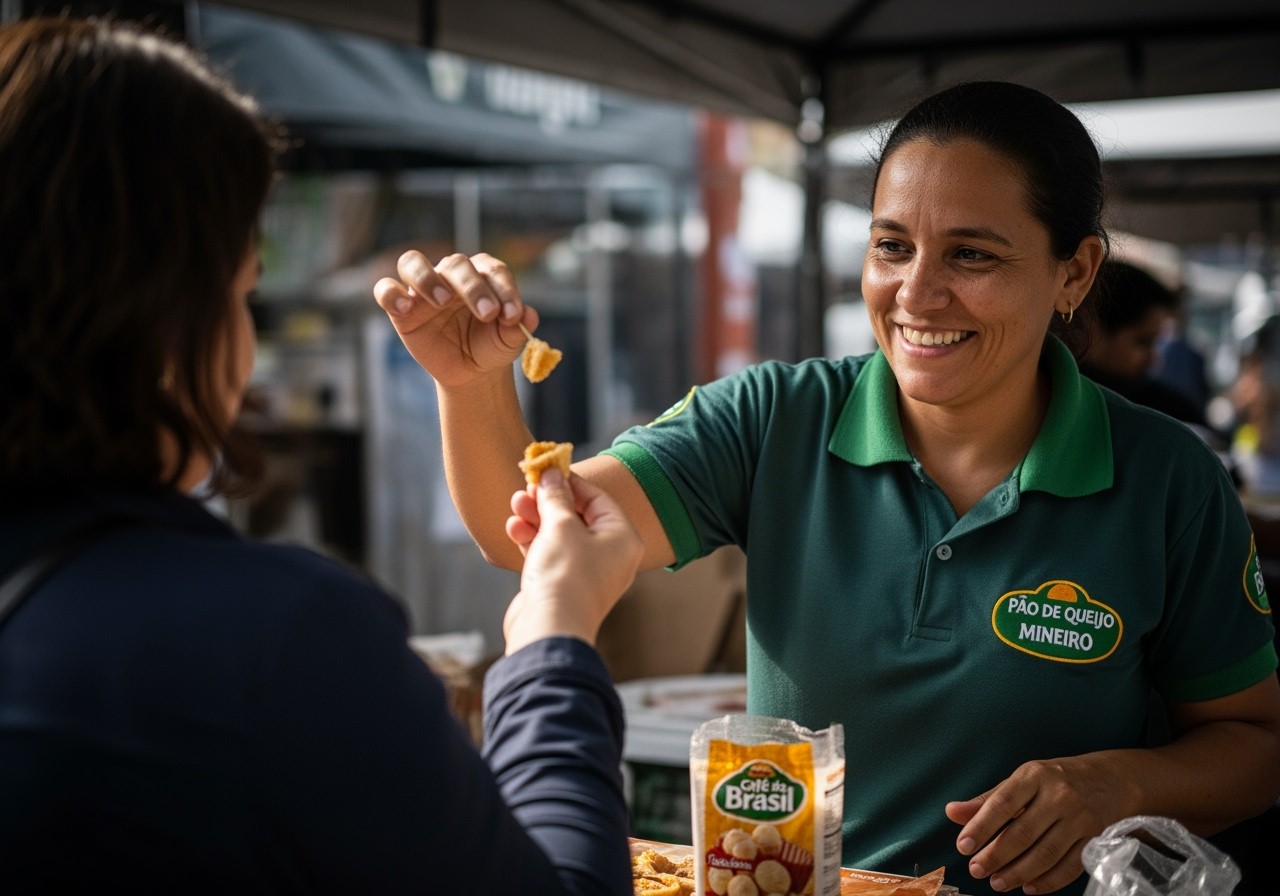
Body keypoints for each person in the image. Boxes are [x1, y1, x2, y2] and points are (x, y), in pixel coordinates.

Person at [376, 81, 1280, 895]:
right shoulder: (777, 419)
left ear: (1074, 273)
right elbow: (538, 541)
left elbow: (1257, 749)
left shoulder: (1168, 479)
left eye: (972, 256)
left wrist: (1117, 782)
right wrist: (471, 382)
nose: (916, 294)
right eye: (892, 245)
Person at [0, 18, 642, 895]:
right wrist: (554, 641)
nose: (244, 350)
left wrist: (470, 387)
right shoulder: (273, 641)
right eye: (241, 296)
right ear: (157, 316)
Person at [1077, 260, 1206, 426]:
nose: (1154, 359)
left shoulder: (1173, 411)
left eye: (1156, 343)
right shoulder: (1057, 400)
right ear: (1093, 330)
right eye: (1143, 342)